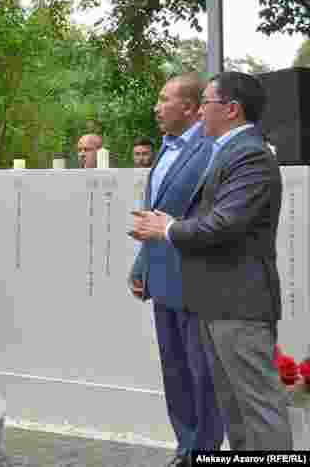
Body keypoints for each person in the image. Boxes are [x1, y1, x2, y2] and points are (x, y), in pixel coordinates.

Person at [132, 71, 293, 451]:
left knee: (258, 408)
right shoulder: (228, 150)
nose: (200, 111)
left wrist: (168, 229)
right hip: (216, 302)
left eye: (206, 103)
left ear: (232, 109)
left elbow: (225, 223)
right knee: (234, 410)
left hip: (240, 303)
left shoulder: (251, 154)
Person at [128, 74, 221, 465]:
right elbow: (155, 216)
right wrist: (140, 265)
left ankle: (205, 452)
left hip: (196, 281)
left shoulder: (212, 148)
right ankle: (185, 448)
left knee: (203, 377)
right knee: (175, 372)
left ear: (188, 106)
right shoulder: (164, 150)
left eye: (164, 99)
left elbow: (207, 216)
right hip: (162, 279)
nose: (156, 107)